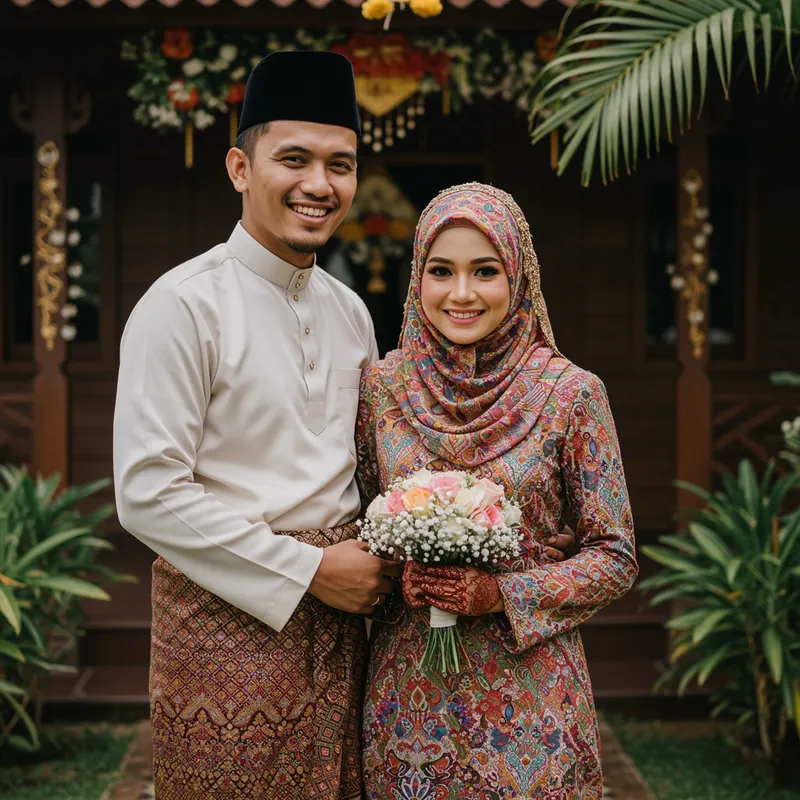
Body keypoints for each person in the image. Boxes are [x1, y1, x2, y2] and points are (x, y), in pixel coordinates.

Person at [112, 50, 399, 799]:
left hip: (343, 631)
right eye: (294, 159)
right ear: (241, 168)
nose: (320, 185)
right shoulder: (182, 305)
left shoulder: (351, 312)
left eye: (340, 164)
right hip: (224, 628)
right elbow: (146, 492)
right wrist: (309, 571)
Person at [355, 183, 638, 799]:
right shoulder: (383, 386)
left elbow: (615, 557)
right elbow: (361, 523)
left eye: (485, 271)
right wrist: (394, 574)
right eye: (441, 271)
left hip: (530, 698)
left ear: (518, 276)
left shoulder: (570, 393)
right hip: (410, 696)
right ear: (417, 278)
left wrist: (501, 592)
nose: (461, 294)